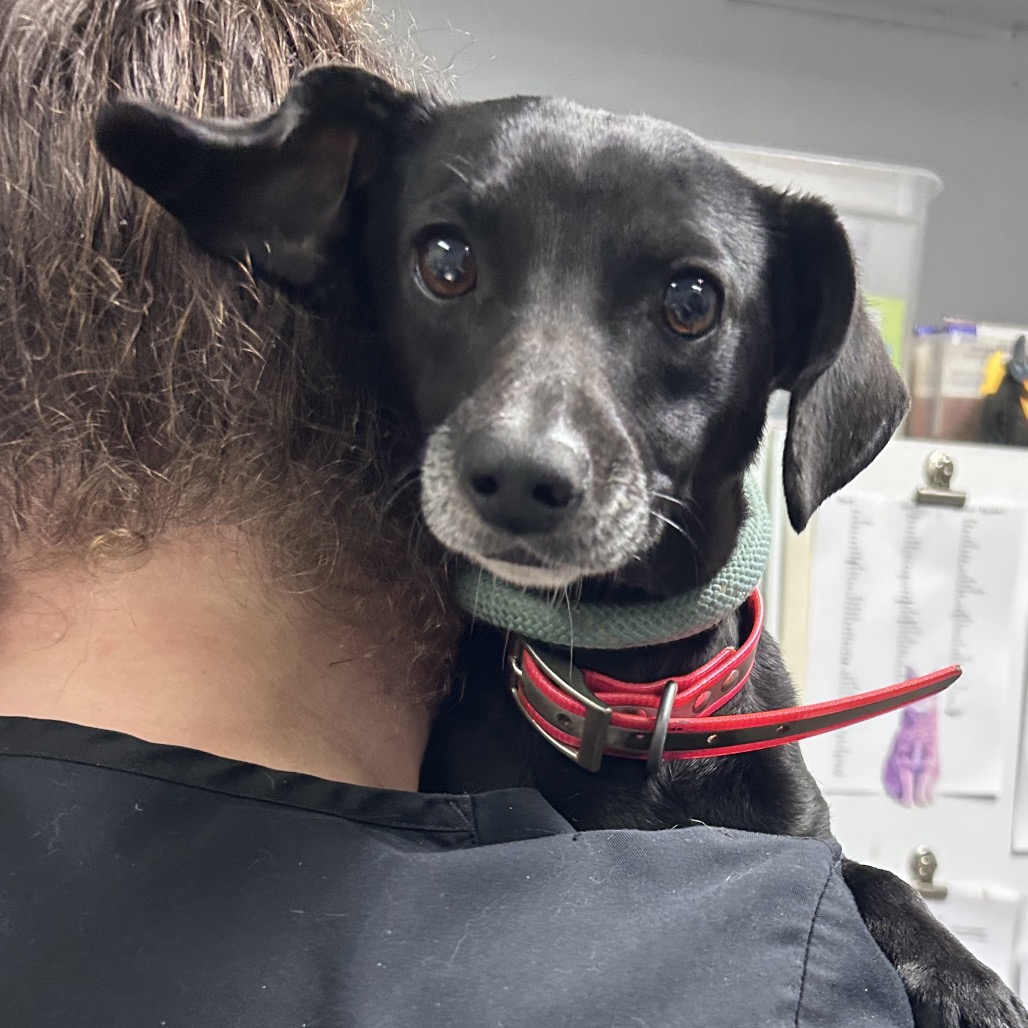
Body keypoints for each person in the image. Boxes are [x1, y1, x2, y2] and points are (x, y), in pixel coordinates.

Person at [0, 1, 915, 1025]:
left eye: (684, 304)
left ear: (777, 356)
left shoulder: (786, 858)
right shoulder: (418, 697)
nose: (529, 443)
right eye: (450, 265)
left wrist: (874, 906)